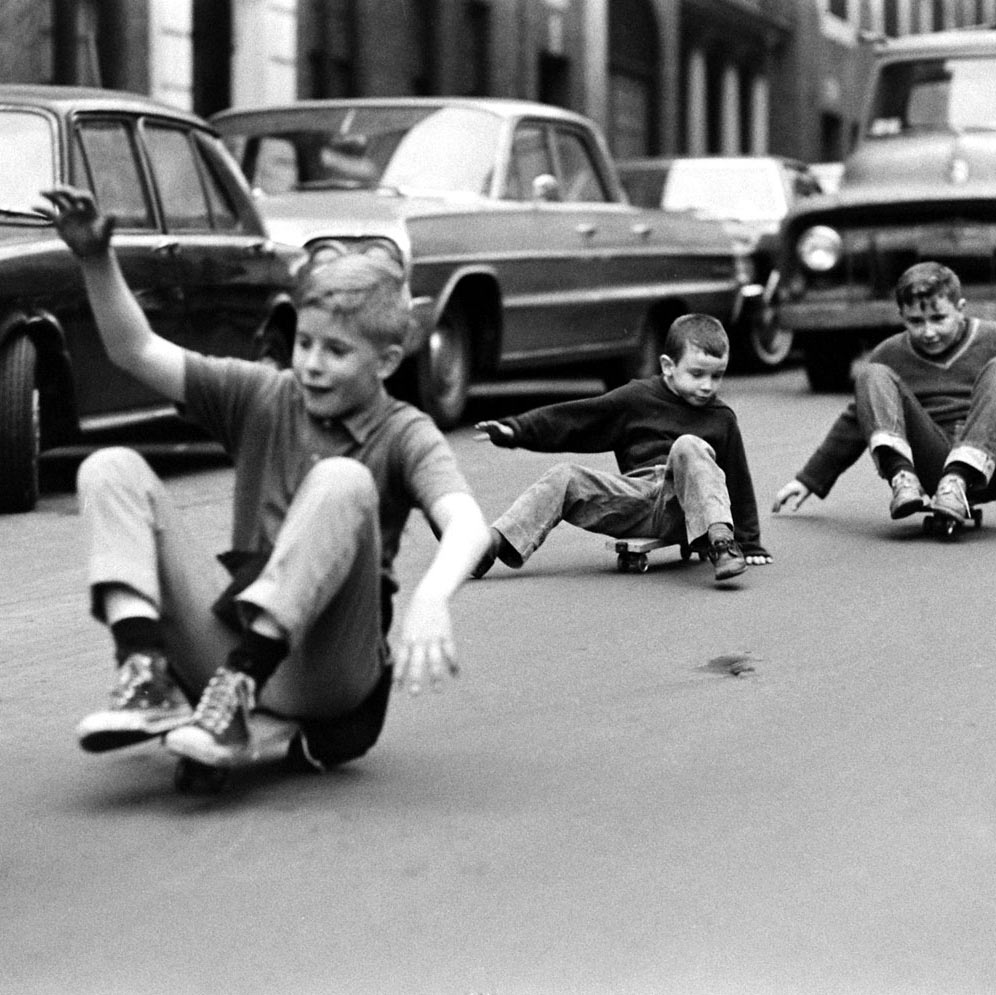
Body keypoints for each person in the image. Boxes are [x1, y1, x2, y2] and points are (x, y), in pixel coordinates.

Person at [39, 185, 490, 774]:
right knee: (109, 467)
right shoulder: (265, 394)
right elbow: (137, 351)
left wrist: (431, 598)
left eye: (335, 351)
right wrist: (96, 261)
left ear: (384, 362)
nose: (310, 364)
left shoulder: (404, 432)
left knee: (342, 480)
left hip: (329, 670)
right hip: (226, 645)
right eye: (303, 342)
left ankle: (240, 695)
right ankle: (148, 675)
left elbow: (468, 525)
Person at [472, 313, 772, 585]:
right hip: (635, 502)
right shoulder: (636, 398)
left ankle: (722, 544)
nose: (707, 385)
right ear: (668, 366)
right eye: (697, 374)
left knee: (688, 445)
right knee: (565, 476)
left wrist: (749, 542)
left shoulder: (721, 418)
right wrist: (516, 430)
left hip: (690, 512)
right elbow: (577, 419)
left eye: (716, 376)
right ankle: (492, 544)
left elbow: (737, 478)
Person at [772, 261, 996, 524]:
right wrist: (809, 479)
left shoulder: (990, 338)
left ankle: (960, 476)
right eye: (915, 321)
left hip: (991, 466)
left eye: (938, 319)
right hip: (934, 465)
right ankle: (903, 477)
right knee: (871, 373)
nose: (928, 332)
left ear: (960, 310)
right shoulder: (890, 353)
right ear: (901, 315)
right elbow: (857, 419)